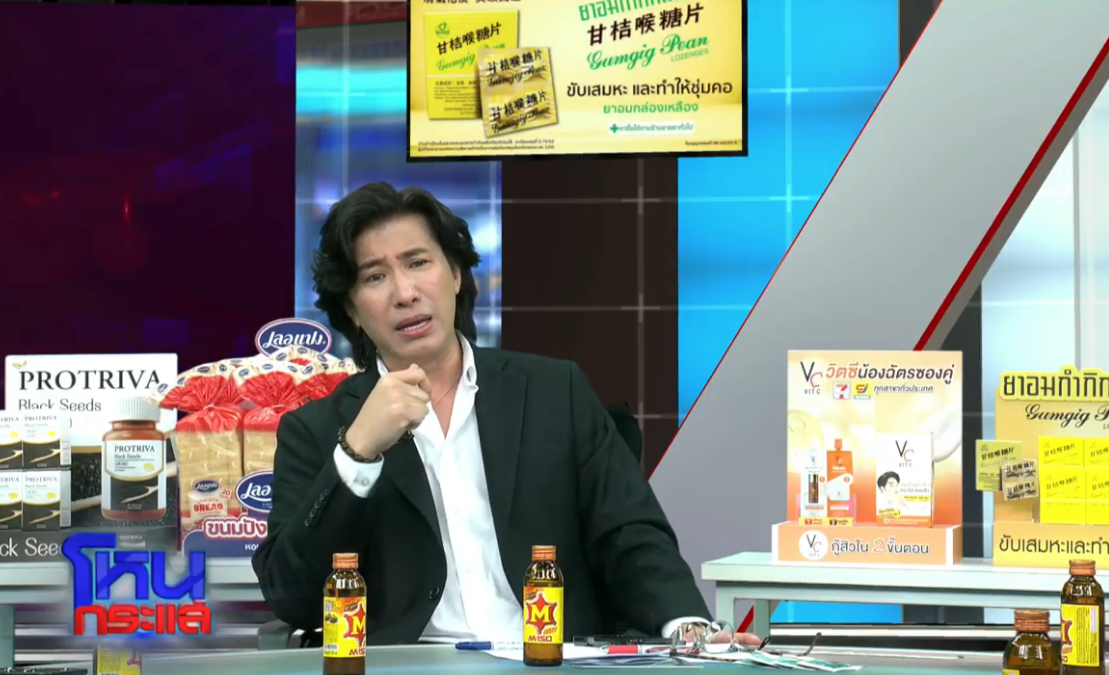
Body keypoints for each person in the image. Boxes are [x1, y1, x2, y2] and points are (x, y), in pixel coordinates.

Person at [252, 182, 759, 647]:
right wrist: (357, 454)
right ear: (352, 310)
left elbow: (630, 534)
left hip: (550, 659)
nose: (404, 293)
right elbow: (293, 597)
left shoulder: (554, 392)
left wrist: (687, 626)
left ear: (455, 274)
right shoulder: (316, 432)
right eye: (375, 276)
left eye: (418, 262)